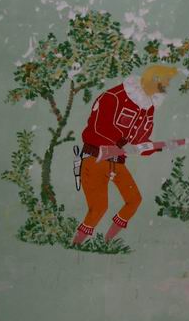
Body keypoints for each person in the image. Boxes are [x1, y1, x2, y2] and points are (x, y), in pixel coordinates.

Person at [72, 65, 177, 245]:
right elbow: (99, 126)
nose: (166, 87)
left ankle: (107, 242)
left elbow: (138, 142)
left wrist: (156, 147)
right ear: (153, 79)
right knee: (99, 207)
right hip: (95, 158)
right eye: (164, 83)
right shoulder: (114, 96)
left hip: (117, 163)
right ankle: (76, 244)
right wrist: (122, 143)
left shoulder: (148, 108)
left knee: (134, 200)